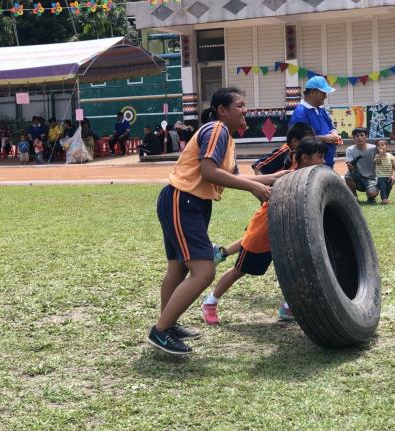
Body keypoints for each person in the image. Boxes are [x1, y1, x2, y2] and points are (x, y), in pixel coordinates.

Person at [146, 87, 289, 356]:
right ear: (222, 110)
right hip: (183, 200)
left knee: (178, 267)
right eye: (240, 105)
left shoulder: (227, 139)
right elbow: (209, 172)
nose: (245, 110)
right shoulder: (217, 130)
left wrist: (270, 179)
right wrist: (254, 187)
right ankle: (161, 330)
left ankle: (168, 323)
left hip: (189, 202)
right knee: (204, 271)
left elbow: (233, 177)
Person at [200, 138, 328, 324]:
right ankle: (210, 302)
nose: (323, 161)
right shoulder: (288, 178)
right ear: (306, 158)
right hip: (263, 233)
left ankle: (289, 306)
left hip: (290, 235)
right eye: (320, 157)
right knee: (239, 270)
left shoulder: (311, 179)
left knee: (297, 270)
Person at [289, 76, 343, 168]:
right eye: (323, 93)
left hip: (327, 164)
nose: (325, 96)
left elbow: (331, 127)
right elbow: (299, 141)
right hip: (313, 168)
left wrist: (335, 134)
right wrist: (324, 138)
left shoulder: (320, 109)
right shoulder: (301, 113)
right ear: (313, 92)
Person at [345, 127, 379, 203]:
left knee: (372, 194)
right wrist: (350, 166)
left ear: (366, 136)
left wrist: (392, 174)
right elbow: (349, 165)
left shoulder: (374, 148)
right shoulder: (350, 149)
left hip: (372, 178)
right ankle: (354, 197)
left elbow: (387, 159)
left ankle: (370, 196)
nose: (359, 138)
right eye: (357, 136)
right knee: (347, 176)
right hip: (358, 177)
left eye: (362, 135)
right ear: (353, 138)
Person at [374, 140, 395, 205]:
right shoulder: (377, 155)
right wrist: (380, 155)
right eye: (378, 146)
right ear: (376, 148)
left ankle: (386, 198)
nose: (380, 147)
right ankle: (384, 199)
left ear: (387, 147)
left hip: (389, 176)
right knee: (383, 188)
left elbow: (394, 163)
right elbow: (377, 161)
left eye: (382, 145)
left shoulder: (390, 155)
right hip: (381, 176)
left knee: (389, 187)